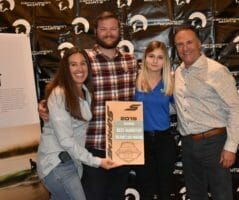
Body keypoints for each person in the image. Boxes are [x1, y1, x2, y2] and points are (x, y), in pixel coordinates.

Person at [38, 10, 138, 200]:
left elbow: (143, 93)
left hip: (123, 146)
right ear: (96, 31)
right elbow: (62, 85)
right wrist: (44, 104)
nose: (109, 33)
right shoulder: (85, 61)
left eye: (113, 28)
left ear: (120, 31)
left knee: (116, 196)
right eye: (103, 29)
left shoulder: (131, 61)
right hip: (92, 147)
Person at [36, 47, 119, 200]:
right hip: (57, 164)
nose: (79, 68)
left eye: (83, 63)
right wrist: (97, 162)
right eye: (73, 64)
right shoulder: (60, 94)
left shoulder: (86, 91)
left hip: (72, 162)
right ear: (65, 69)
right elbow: (66, 141)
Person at [173, 25, 239, 200]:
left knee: (222, 194)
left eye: (189, 42)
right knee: (195, 194)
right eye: (180, 44)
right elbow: (178, 105)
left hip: (215, 143)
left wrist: (231, 146)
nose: (185, 48)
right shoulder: (178, 73)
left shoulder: (217, 71)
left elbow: (234, 109)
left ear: (199, 44)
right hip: (188, 144)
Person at [133, 41, 177, 199]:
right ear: (145, 58)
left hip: (164, 140)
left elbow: (184, 108)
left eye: (160, 57)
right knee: (145, 189)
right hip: (140, 140)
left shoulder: (171, 83)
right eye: (151, 56)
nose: (155, 60)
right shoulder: (134, 81)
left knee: (165, 188)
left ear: (165, 61)